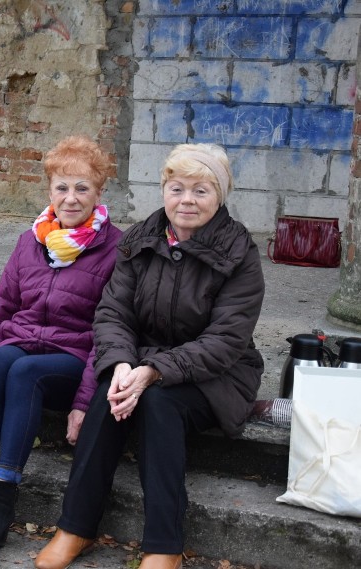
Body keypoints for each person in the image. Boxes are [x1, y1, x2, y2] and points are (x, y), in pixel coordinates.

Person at [34, 143, 265, 569]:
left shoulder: (239, 253)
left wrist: (154, 370)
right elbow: (112, 313)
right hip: (142, 358)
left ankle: (164, 546)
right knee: (109, 389)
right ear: (164, 191)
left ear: (220, 196)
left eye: (201, 191)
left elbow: (226, 340)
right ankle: (75, 527)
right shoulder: (140, 240)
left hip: (217, 374)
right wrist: (122, 362)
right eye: (177, 189)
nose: (187, 201)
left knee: (159, 402)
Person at [0, 136, 122, 548]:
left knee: (26, 371)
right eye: (62, 188)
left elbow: (110, 335)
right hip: (23, 342)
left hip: (72, 357)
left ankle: (1, 499)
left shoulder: (115, 249)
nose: (71, 199)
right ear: (50, 190)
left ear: (99, 193)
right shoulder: (30, 240)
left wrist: (84, 402)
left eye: (82, 188)